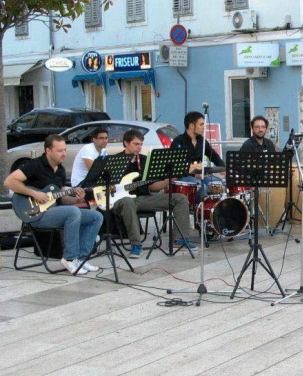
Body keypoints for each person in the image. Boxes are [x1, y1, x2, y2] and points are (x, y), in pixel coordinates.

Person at [4, 135, 103, 275]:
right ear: (48, 151)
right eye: (60, 150)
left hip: (54, 211)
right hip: (35, 214)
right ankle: (69, 258)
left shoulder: (60, 170)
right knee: (72, 212)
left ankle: (81, 259)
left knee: (96, 216)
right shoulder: (35, 165)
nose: (64, 153)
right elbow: (9, 182)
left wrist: (76, 200)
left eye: (65, 150)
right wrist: (34, 193)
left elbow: (60, 197)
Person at [112, 130, 196, 258]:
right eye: (136, 144)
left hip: (143, 199)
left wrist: (169, 179)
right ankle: (136, 244)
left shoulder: (145, 161)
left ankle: (180, 239)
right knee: (128, 202)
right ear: (126, 143)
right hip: (122, 200)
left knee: (180, 198)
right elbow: (105, 185)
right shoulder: (115, 161)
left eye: (141, 144)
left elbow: (153, 187)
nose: (139, 147)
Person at [171, 111, 225, 201]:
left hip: (200, 176)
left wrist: (223, 168)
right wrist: (193, 173)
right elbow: (175, 166)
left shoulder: (202, 141)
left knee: (217, 184)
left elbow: (214, 156)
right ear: (192, 126)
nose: (204, 127)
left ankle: (212, 211)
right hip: (183, 177)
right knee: (201, 187)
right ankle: (199, 211)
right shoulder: (178, 141)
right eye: (201, 124)